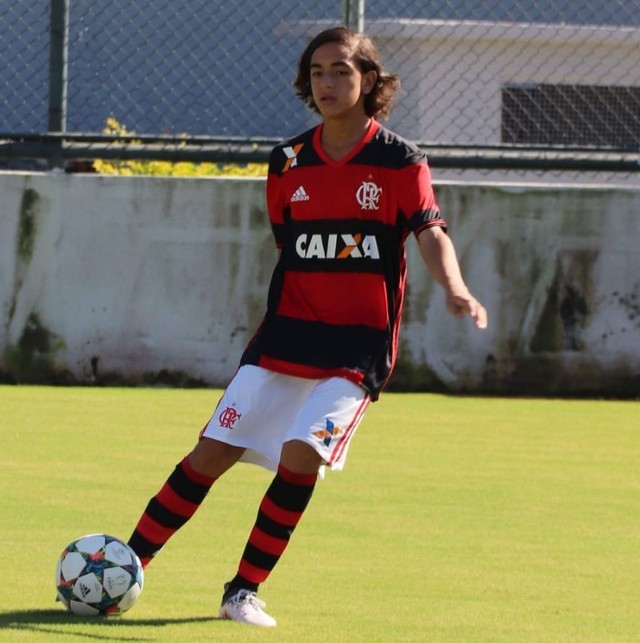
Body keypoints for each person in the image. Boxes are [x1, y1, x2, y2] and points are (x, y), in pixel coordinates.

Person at [127, 26, 487, 627]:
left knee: (301, 455)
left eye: (341, 70)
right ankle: (123, 565)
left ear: (369, 80)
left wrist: (455, 287)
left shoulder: (400, 160)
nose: (327, 82)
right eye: (317, 72)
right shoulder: (287, 161)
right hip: (285, 337)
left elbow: (430, 231)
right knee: (211, 453)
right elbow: (287, 246)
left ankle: (242, 591)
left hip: (357, 347)